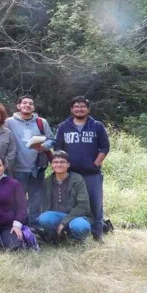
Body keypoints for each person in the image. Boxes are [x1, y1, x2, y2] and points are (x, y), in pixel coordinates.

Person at [53, 96, 110, 241]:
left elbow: (104, 147)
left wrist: (96, 163)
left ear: (88, 109)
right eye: (76, 106)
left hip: (92, 175)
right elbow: (58, 148)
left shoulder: (97, 126)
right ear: (72, 109)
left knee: (95, 204)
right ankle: (72, 234)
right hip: (70, 175)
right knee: (71, 204)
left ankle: (97, 234)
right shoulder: (63, 127)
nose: (79, 109)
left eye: (82, 106)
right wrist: (62, 168)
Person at [3, 95, 54, 227]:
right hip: (17, 168)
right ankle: (18, 227)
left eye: (30, 103)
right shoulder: (9, 122)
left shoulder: (41, 122)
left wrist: (44, 146)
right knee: (17, 200)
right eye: (24, 103)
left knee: (36, 200)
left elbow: (51, 139)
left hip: (37, 168)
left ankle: (35, 228)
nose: (27, 105)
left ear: (34, 107)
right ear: (18, 106)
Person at [36, 150, 93, 243]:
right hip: (57, 216)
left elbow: (84, 206)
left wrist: (64, 222)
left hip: (76, 216)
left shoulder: (77, 179)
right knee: (44, 218)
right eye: (55, 162)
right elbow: (45, 205)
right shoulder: (47, 181)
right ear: (51, 165)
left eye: (62, 162)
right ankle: (55, 238)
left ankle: (77, 241)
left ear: (68, 164)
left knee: (79, 226)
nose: (59, 165)